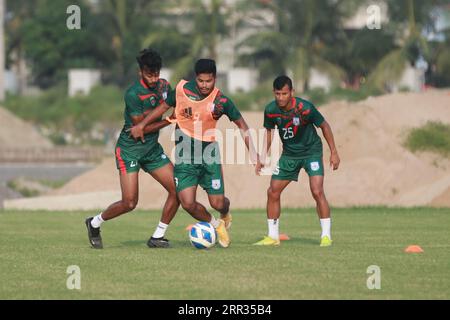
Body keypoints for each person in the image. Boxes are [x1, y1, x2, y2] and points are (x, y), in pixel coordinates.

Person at [129, 59, 261, 248]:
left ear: (215, 78)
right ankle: (217, 226)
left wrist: (254, 154)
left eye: (209, 81)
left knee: (218, 203)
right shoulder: (181, 90)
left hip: (208, 155)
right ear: (196, 78)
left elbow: (242, 125)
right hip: (184, 156)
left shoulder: (221, 101)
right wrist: (142, 125)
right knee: (188, 203)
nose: (205, 85)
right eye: (201, 81)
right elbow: (163, 108)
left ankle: (225, 213)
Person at [85, 48, 180, 249]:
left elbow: (175, 104)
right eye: (149, 75)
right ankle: (94, 223)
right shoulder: (133, 94)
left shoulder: (164, 86)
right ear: (140, 72)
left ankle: (157, 237)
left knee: (178, 189)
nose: (153, 79)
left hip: (152, 150)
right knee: (129, 203)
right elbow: (140, 130)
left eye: (156, 74)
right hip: (129, 150)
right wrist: (170, 120)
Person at [254, 75, 340, 247]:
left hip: (311, 153)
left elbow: (324, 126)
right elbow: (269, 132)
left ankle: (326, 236)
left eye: (284, 94)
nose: (280, 98)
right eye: (277, 94)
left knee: (317, 191)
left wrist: (333, 152)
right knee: (272, 191)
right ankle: (272, 236)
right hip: (289, 155)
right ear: (274, 93)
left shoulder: (305, 108)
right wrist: (263, 156)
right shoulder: (271, 110)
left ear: (292, 92)